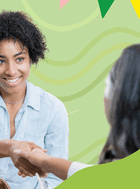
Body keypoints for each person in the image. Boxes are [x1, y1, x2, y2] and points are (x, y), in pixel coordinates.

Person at [0, 11, 69, 189]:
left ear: (31, 57)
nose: (11, 70)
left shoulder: (53, 109)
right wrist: (12, 148)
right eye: (0, 61)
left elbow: (56, 177)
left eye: (19, 59)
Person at [16, 44, 140, 180]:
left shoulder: (53, 107)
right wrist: (44, 161)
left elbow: (102, 180)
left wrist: (43, 161)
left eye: (108, 86)